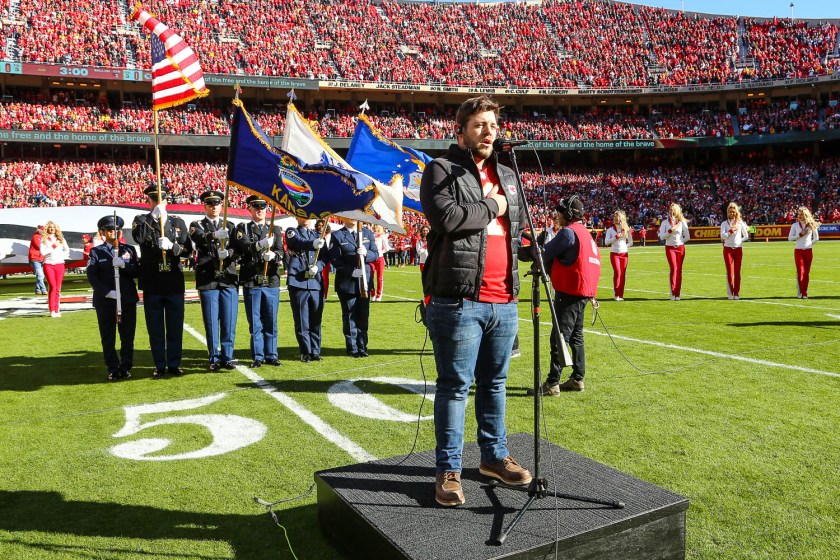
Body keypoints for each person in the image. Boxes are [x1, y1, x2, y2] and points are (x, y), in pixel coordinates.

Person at [420, 95, 531, 508]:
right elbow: (448, 220)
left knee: (496, 384)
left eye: (492, 125)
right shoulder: (442, 170)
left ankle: (493, 457)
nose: (488, 132)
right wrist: (493, 205)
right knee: (454, 387)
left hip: (505, 300)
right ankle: (448, 469)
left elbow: (515, 230)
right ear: (462, 130)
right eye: (479, 125)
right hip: (459, 300)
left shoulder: (509, 173)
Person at [532, 196, 601, 395]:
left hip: (569, 291)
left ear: (570, 214)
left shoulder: (568, 233)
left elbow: (545, 253)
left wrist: (535, 249)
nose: (558, 214)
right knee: (576, 337)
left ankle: (552, 383)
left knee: (559, 338)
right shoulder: (585, 234)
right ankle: (577, 378)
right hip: (583, 292)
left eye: (561, 211)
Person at [132, 183, 190, 378]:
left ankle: (174, 364)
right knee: (155, 328)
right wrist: (153, 217)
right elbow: (138, 238)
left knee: (175, 327)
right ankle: (159, 364)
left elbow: (188, 251)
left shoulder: (177, 223)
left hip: (173, 282)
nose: (158, 202)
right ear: (148, 200)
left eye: (161, 199)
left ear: (167, 200)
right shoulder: (141, 220)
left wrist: (172, 246)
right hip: (152, 282)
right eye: (154, 199)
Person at [232, 195, 284, 368]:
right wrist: (262, 245)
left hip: (271, 280)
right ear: (249, 209)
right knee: (255, 322)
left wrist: (274, 255)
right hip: (252, 279)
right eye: (256, 206)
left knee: (271, 320)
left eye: (263, 206)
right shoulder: (243, 228)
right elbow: (245, 247)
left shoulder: (274, 228)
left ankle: (272, 354)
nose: (260, 209)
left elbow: (280, 251)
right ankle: (258, 355)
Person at [190, 189, 238, 371]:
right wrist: (214, 235)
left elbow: (237, 247)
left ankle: (228, 356)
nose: (214, 207)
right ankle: (214, 357)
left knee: (229, 319)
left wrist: (229, 253)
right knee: (211, 320)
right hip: (208, 278)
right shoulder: (198, 224)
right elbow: (198, 238)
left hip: (227, 277)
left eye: (217, 203)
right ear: (205, 206)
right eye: (210, 204)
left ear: (221, 205)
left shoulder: (231, 225)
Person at [87, 215, 139, 380]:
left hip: (127, 299)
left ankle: (125, 367)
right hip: (106, 301)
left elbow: (137, 272)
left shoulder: (129, 250)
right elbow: (92, 276)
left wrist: (124, 265)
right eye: (109, 230)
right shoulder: (96, 252)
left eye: (116, 229)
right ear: (102, 232)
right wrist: (106, 292)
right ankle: (112, 368)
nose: (113, 233)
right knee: (108, 337)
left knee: (127, 336)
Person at [328, 217, 378, 358]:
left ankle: (363, 346)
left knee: (363, 315)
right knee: (349, 315)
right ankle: (352, 347)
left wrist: (366, 254)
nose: (353, 218)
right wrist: (351, 271)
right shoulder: (337, 235)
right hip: (347, 281)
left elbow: (376, 253)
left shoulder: (367, 233)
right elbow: (335, 259)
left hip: (365, 281)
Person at [286, 216, 327, 362]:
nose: (306, 219)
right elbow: (296, 242)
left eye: (308, 216)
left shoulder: (317, 235)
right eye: (303, 215)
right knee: (302, 319)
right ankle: (305, 351)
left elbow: (324, 257)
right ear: (297, 217)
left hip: (315, 283)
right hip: (299, 281)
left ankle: (315, 351)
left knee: (316, 319)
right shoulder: (292, 231)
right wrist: (313, 244)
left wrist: (318, 267)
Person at [658, 203, 690, 300]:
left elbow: (688, 237)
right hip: (669, 247)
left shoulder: (682, 222)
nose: (672, 212)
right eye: (671, 210)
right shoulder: (664, 222)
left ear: (678, 211)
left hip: (680, 248)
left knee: (679, 270)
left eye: (674, 210)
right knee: (674, 268)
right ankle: (672, 293)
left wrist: (680, 243)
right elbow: (661, 237)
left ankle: (678, 294)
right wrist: (670, 230)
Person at [788, 206, 820, 299]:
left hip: (808, 251)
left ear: (806, 215)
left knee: (806, 273)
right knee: (800, 272)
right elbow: (790, 238)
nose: (800, 216)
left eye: (802, 214)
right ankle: (800, 293)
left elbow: (816, 238)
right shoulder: (795, 225)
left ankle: (805, 292)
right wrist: (801, 234)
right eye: (799, 214)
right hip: (798, 251)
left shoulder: (812, 225)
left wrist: (809, 245)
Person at [720, 202, 750, 300]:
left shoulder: (740, 223)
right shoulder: (724, 223)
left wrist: (739, 241)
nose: (732, 213)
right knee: (730, 272)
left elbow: (746, 236)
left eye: (733, 212)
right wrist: (731, 231)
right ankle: (730, 293)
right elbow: (722, 236)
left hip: (738, 249)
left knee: (737, 272)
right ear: (727, 212)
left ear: (736, 212)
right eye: (730, 212)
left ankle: (736, 293)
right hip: (727, 249)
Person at [40, 221, 70, 317]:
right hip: (48, 264)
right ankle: (52, 309)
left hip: (60, 264)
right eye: (50, 227)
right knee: (52, 286)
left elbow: (67, 249)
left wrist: (62, 256)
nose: (52, 229)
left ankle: (57, 309)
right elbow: (43, 252)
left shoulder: (60, 238)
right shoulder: (44, 239)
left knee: (58, 288)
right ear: (47, 229)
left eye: (54, 227)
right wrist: (54, 246)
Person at [604, 209, 633, 301]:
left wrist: (625, 246)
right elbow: (606, 242)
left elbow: (631, 242)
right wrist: (616, 237)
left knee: (623, 274)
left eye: (616, 216)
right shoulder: (610, 230)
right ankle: (616, 294)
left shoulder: (626, 229)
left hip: (624, 254)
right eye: (614, 216)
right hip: (614, 253)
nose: (615, 218)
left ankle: (621, 294)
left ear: (621, 218)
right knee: (617, 273)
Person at [369, 224, 390, 301]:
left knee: (380, 277)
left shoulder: (382, 236)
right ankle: (372, 294)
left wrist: (380, 252)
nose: (375, 228)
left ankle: (379, 295)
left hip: (380, 258)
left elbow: (387, 248)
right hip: (371, 258)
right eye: (374, 226)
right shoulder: (370, 235)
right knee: (370, 277)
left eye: (377, 226)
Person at [28, 225, 47, 295]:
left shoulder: (42, 237)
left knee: (40, 275)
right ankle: (43, 289)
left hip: (40, 258)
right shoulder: (36, 237)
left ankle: (38, 289)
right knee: (40, 275)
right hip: (35, 258)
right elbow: (39, 246)